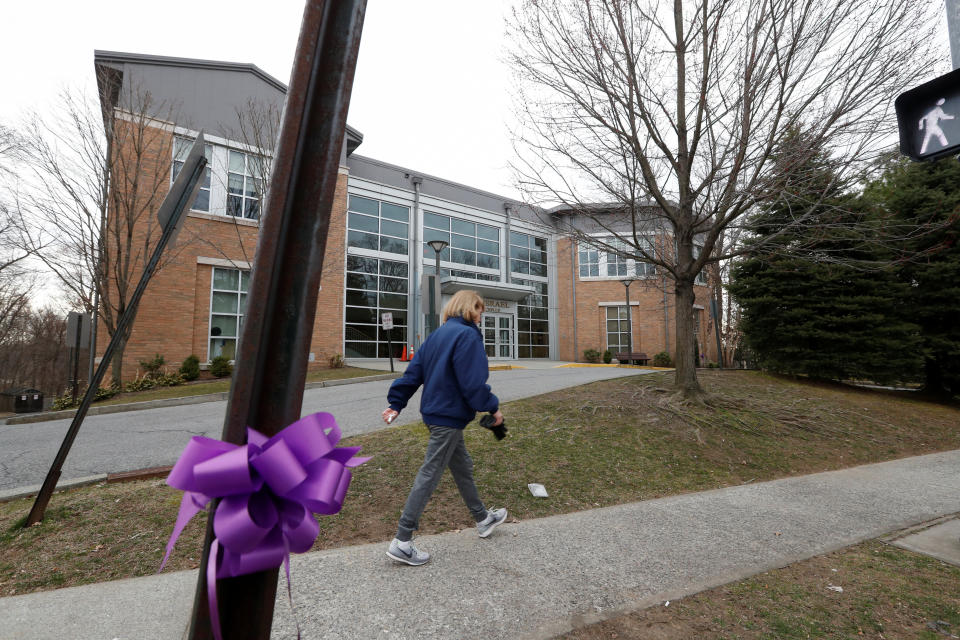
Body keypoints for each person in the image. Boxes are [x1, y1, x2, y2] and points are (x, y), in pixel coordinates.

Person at [382, 289, 507, 566]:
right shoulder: (467, 335)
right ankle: (402, 541)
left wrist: (396, 403)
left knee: (462, 468)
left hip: (436, 414)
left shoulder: (437, 335)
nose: (481, 316)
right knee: (430, 473)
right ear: (467, 308)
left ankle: (483, 518)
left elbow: (413, 373)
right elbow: (472, 383)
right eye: (479, 310)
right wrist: (493, 407)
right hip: (448, 417)